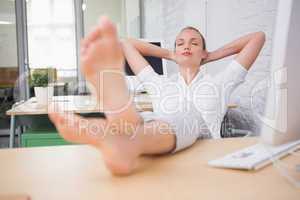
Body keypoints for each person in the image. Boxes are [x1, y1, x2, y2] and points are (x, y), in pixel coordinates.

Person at [48, 16, 265, 175]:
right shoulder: (160, 83)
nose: (186, 46)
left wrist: (212, 55)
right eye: (180, 43)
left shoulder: (220, 83)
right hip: (162, 158)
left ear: (203, 53)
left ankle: (127, 132)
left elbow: (257, 38)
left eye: (194, 43)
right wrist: (170, 54)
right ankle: (126, 127)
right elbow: (126, 44)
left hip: (204, 154)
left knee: (188, 116)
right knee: (150, 118)